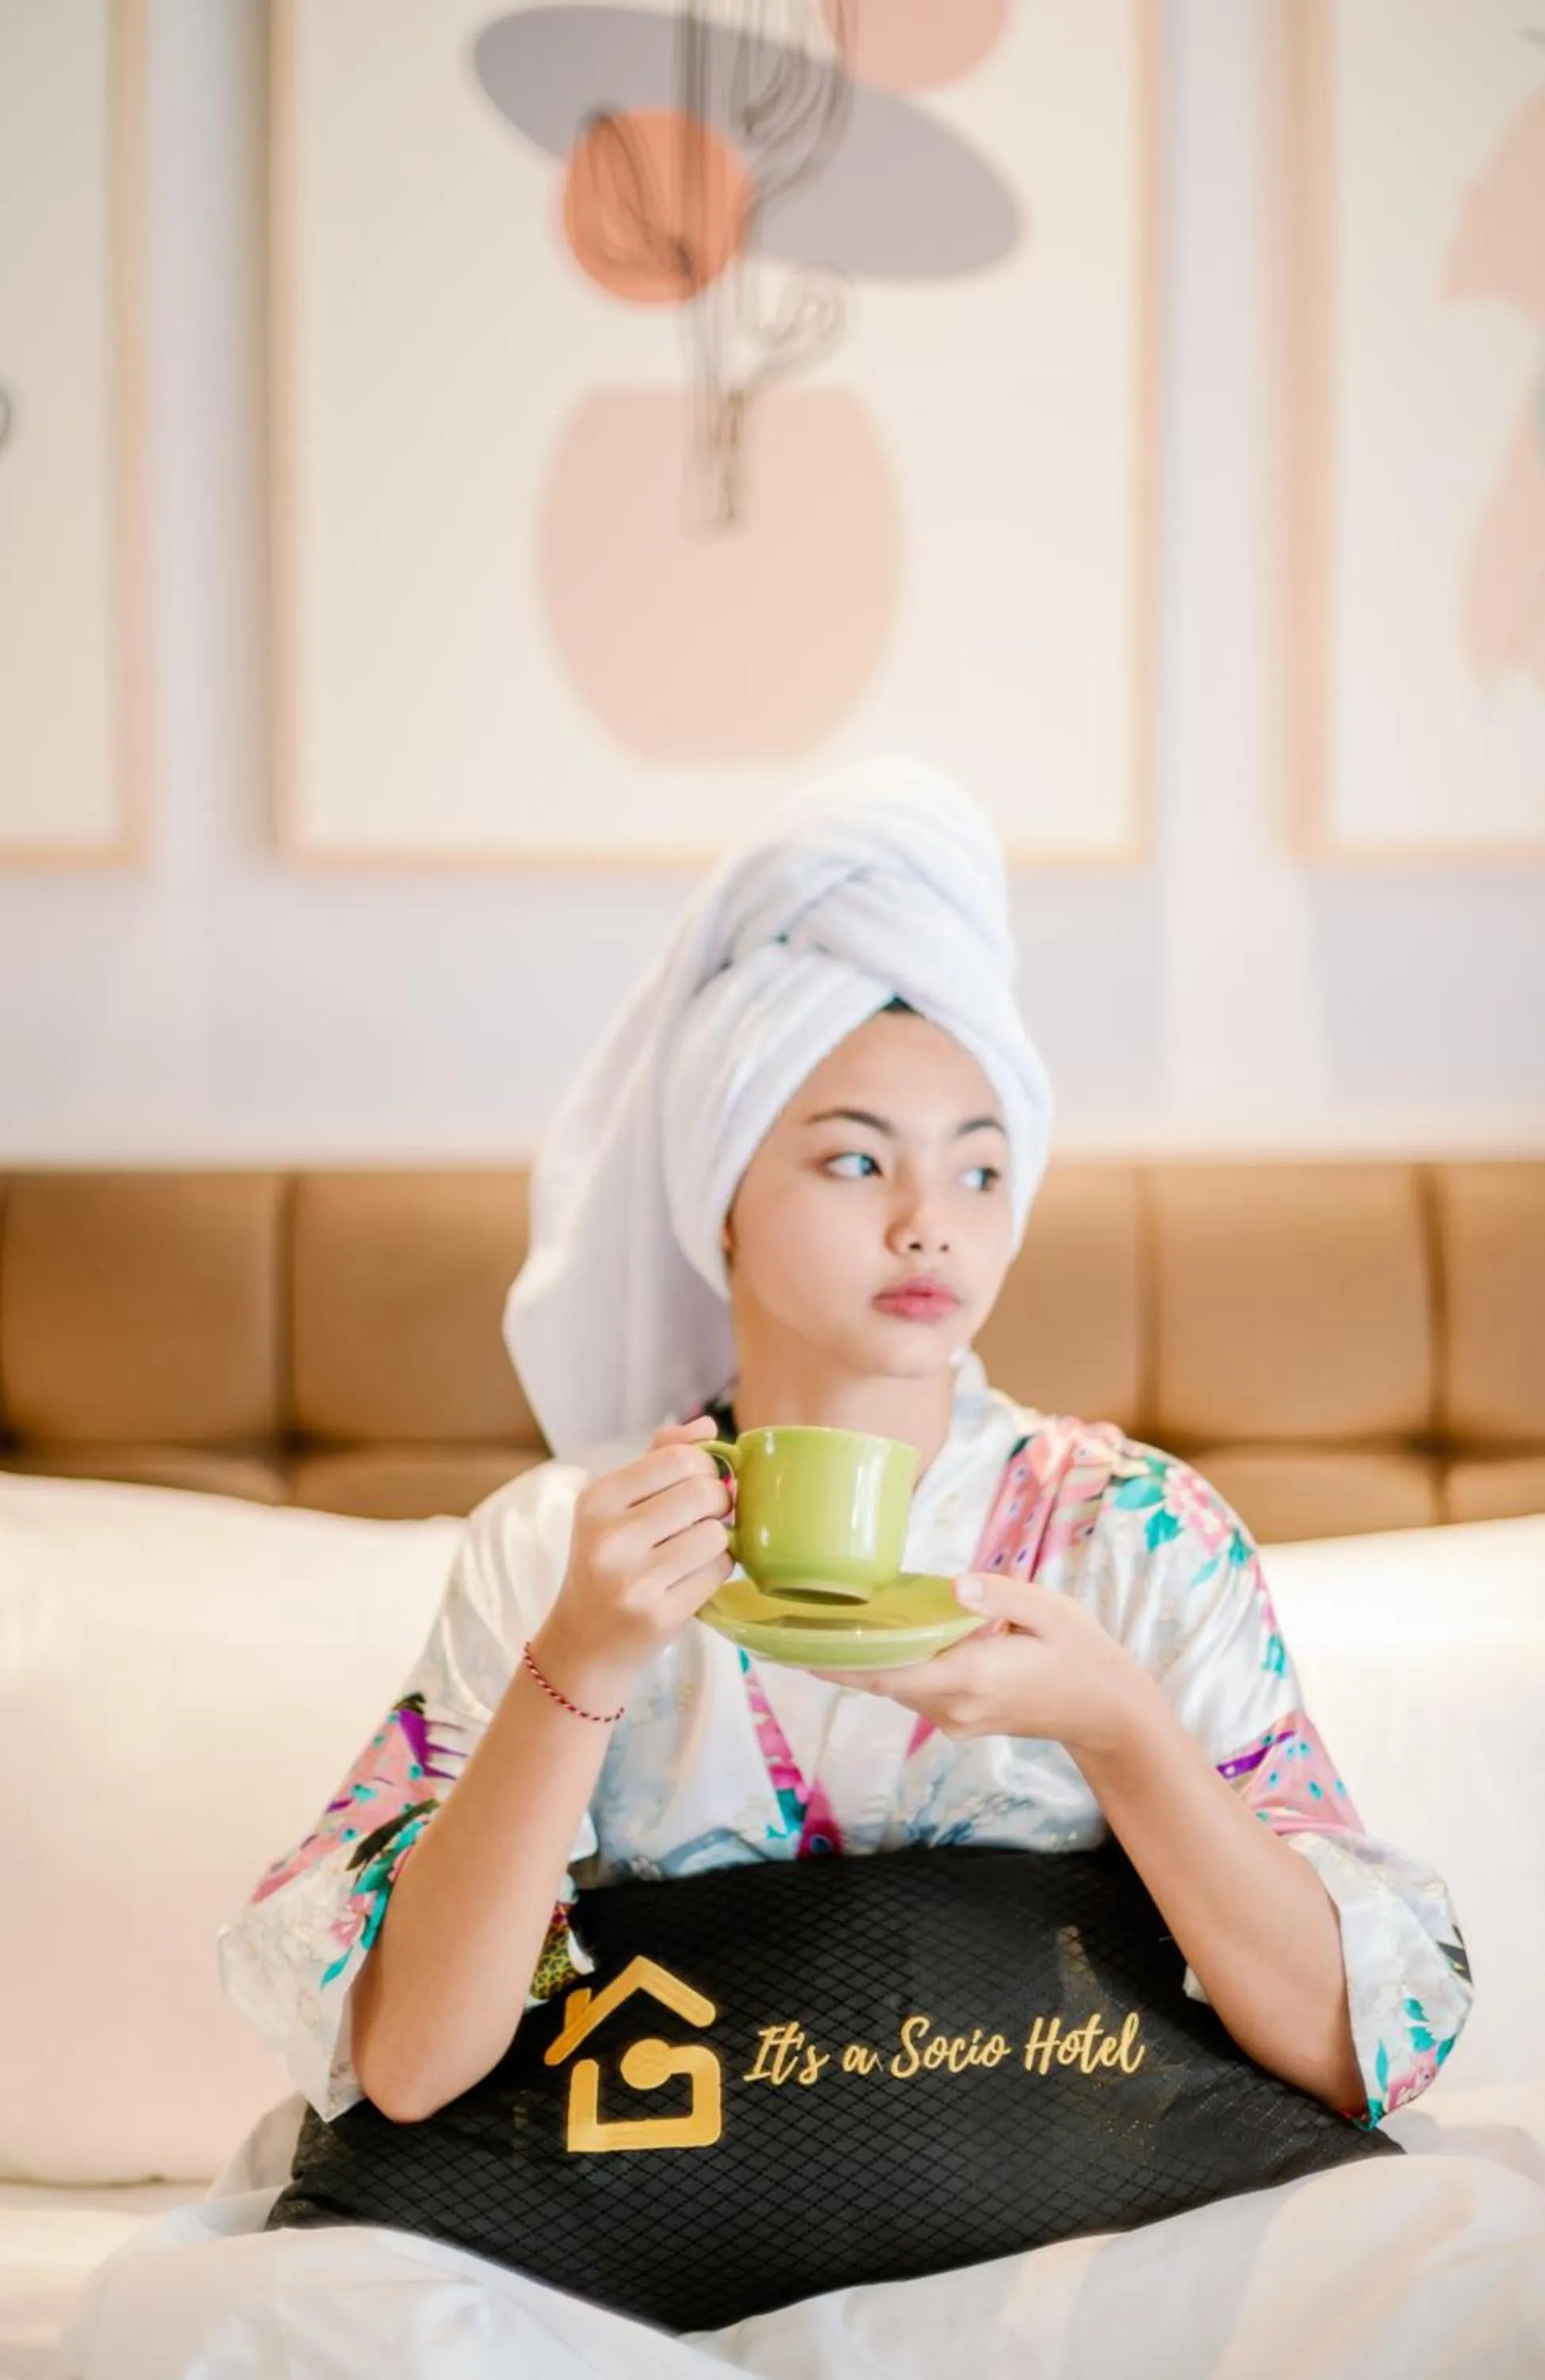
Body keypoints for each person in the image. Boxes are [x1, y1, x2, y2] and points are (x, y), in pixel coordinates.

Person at [217, 755, 1470, 2146]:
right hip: (662, 2230)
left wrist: (1121, 1728)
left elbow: (1356, 2050)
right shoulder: (571, 1546)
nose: (930, 1220)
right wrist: (579, 1663)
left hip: (1079, 2224)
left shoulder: (1135, 1533)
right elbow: (408, 2064)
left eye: (980, 1169)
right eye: (857, 1161)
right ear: (721, 1200)